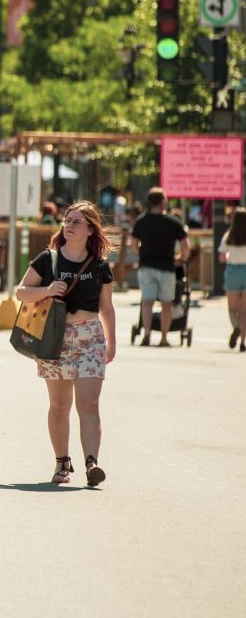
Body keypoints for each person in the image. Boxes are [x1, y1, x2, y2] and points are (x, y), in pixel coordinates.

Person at [15, 201, 116, 487]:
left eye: (76, 222)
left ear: (89, 229)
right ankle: (62, 461)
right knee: (59, 405)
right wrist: (47, 290)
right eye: (67, 221)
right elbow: (21, 292)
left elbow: (107, 308)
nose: (69, 226)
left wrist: (111, 342)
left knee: (90, 403)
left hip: (90, 337)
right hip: (55, 338)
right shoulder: (48, 259)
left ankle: (91, 462)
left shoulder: (99, 266)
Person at [131, 187, 190, 347]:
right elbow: (186, 246)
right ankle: (164, 337)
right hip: (167, 266)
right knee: (167, 303)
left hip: (146, 266)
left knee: (147, 302)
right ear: (163, 201)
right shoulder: (173, 222)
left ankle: (147, 334)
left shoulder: (141, 221)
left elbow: (133, 244)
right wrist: (181, 259)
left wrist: (141, 254)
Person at [218, 207, 246, 352]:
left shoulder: (229, 235)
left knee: (232, 309)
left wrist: (231, 257)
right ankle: (243, 341)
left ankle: (235, 327)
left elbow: (222, 257)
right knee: (244, 310)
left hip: (233, 271)